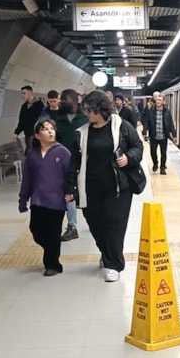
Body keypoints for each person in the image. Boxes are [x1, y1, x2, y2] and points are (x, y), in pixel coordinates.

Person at [71, 91, 143, 282]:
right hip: (91, 189)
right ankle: (106, 252)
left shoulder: (122, 127)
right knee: (95, 225)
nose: (86, 114)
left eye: (89, 110)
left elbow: (138, 147)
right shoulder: (82, 133)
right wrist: (70, 187)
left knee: (114, 226)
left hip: (118, 188)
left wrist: (128, 158)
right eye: (85, 110)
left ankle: (114, 264)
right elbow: (75, 162)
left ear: (100, 109)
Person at [18, 119, 74, 276]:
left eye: (52, 129)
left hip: (57, 201)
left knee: (54, 234)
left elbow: (70, 175)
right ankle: (50, 250)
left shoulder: (62, 152)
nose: (50, 132)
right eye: (45, 129)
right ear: (37, 135)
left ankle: (53, 265)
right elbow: (27, 179)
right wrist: (23, 199)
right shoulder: (33, 155)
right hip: (38, 200)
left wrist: (70, 192)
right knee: (36, 230)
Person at [55, 88, 88, 241]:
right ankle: (72, 226)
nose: (62, 102)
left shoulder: (85, 118)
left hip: (84, 162)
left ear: (75, 101)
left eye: (65, 100)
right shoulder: (57, 119)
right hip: (64, 163)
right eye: (61, 100)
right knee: (68, 193)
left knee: (86, 192)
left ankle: (92, 220)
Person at [142, 93, 176, 175]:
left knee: (163, 153)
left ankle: (163, 167)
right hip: (153, 135)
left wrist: (174, 135)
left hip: (164, 136)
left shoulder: (167, 112)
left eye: (160, 100)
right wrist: (144, 131)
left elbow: (171, 123)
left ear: (163, 102)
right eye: (157, 100)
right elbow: (147, 122)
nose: (158, 101)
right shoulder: (151, 111)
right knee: (153, 152)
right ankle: (155, 163)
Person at [13, 86, 44, 153]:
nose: (22, 95)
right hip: (28, 134)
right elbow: (22, 121)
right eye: (22, 93)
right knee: (29, 151)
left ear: (30, 93)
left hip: (36, 134)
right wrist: (16, 132)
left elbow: (43, 120)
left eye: (24, 93)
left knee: (30, 152)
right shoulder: (24, 106)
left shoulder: (39, 105)